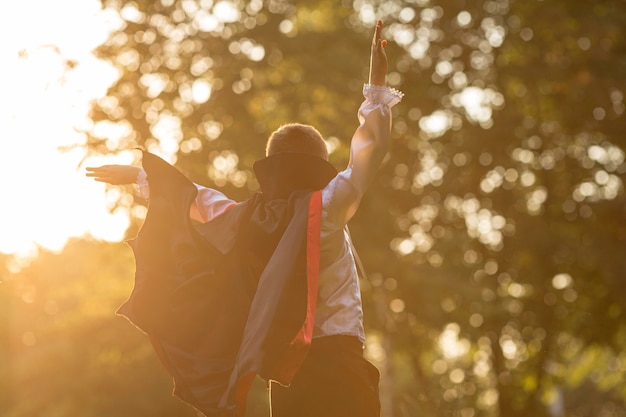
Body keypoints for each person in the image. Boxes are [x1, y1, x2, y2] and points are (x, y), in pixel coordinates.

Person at [87, 20, 402, 417]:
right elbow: (368, 155)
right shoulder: (327, 205)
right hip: (338, 365)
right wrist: (376, 79)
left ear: (271, 168)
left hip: (287, 373)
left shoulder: (250, 219)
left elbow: (196, 199)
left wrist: (138, 175)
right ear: (320, 165)